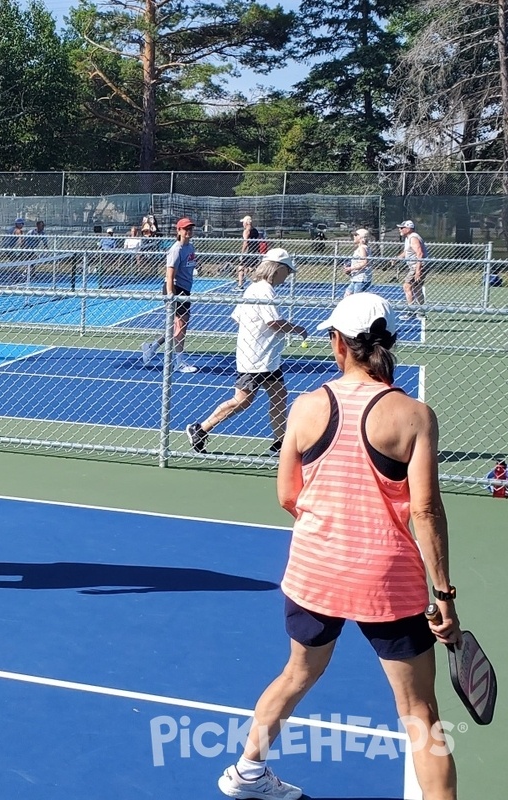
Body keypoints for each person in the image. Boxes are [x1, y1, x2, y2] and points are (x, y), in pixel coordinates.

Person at [216, 292, 458, 800]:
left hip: (314, 571)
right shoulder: (414, 415)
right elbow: (425, 511)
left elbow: (288, 496)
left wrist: (331, 527)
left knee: (297, 673)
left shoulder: (306, 407)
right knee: (419, 714)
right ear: (385, 341)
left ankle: (246, 771)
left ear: (338, 344)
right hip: (387, 581)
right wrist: (445, 596)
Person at [186, 249, 307, 456]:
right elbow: (273, 322)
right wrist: (297, 329)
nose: (287, 276)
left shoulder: (254, 289)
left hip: (267, 358)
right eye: (286, 271)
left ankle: (280, 443)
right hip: (256, 359)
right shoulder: (263, 290)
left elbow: (238, 317)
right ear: (277, 269)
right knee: (242, 400)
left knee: (279, 395)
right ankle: (200, 429)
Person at [140, 217, 198, 373]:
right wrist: (171, 295)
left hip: (185, 290)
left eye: (190, 229)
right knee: (181, 326)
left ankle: (152, 347)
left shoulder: (190, 247)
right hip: (175, 289)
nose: (189, 231)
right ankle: (178, 362)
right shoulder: (176, 249)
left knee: (176, 326)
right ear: (178, 231)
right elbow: (170, 275)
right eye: (186, 229)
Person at [397, 220, 428, 313]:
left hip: (417, 265)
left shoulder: (413, 238)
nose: (400, 229)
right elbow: (407, 251)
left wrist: (418, 270)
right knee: (417, 288)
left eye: (402, 228)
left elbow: (420, 253)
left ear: (409, 229)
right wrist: (396, 259)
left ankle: (411, 311)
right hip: (415, 266)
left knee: (407, 286)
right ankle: (422, 311)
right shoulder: (408, 238)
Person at [344, 228, 372, 296]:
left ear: (361, 237)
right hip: (356, 278)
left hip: (361, 279)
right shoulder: (360, 248)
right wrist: (350, 270)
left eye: (356, 235)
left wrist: (351, 268)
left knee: (356, 299)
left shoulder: (362, 248)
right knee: (347, 294)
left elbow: (364, 262)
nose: (354, 237)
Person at [237, 215, 258, 290]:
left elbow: (246, 242)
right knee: (252, 268)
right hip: (254, 251)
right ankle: (255, 284)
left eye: (243, 222)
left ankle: (240, 285)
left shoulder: (246, 231)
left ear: (246, 223)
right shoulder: (255, 230)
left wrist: (242, 253)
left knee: (241, 267)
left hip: (248, 252)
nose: (243, 224)